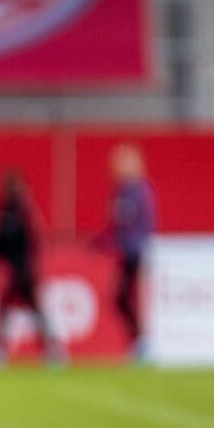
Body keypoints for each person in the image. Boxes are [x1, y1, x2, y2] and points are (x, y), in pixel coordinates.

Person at [0, 169, 62, 365]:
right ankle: (52, 349)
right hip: (24, 269)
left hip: (21, 270)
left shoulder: (12, 211)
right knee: (28, 309)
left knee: (13, 309)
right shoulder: (22, 210)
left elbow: (3, 241)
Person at [95, 143, 156, 358]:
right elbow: (115, 224)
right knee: (120, 298)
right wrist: (103, 241)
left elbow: (141, 224)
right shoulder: (119, 192)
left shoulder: (140, 191)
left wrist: (135, 246)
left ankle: (143, 342)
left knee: (131, 297)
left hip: (136, 253)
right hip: (126, 252)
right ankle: (138, 341)